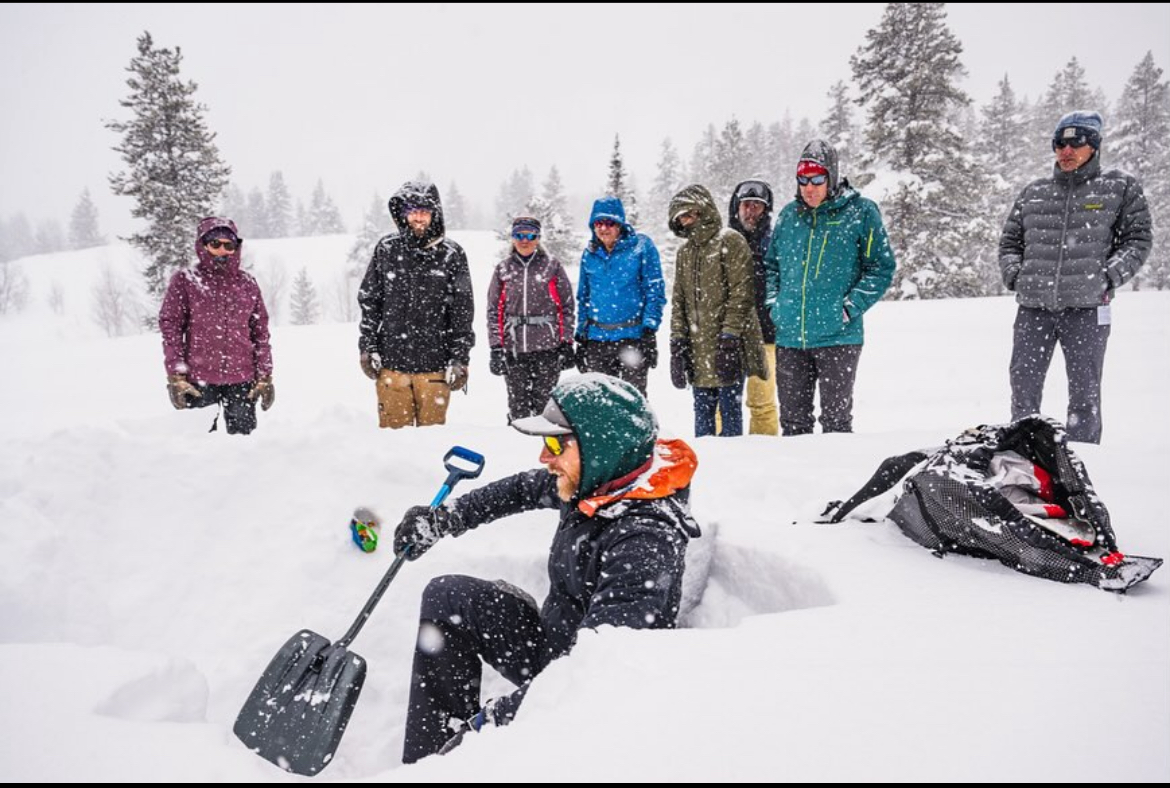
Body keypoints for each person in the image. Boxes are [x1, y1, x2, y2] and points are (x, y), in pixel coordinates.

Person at [392, 373, 700, 763]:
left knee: (484, 736)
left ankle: (456, 762)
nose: (544, 457)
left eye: (555, 443)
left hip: (582, 689)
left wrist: (486, 727)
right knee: (447, 595)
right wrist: (446, 519)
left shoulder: (644, 542)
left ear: (599, 447)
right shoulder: (597, 480)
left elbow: (596, 676)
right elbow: (521, 489)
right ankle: (426, 762)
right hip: (553, 647)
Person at [999, 111, 1151, 444]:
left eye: (1076, 143)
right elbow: (1010, 242)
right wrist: (1015, 275)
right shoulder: (1034, 192)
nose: (1066, 151)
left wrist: (1107, 276)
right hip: (1033, 307)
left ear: (1094, 146)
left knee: (1084, 393)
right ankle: (1025, 454)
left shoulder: (1119, 187)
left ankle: (1083, 461)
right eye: (1059, 144)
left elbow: (1138, 240)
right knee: (1023, 386)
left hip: (1086, 309)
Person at [763, 140, 896, 436]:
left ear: (831, 177)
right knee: (793, 424)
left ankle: (836, 482)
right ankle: (797, 481)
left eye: (818, 180)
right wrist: (775, 305)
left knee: (836, 424)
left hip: (839, 337)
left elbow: (881, 267)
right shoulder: (788, 217)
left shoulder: (861, 212)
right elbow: (772, 267)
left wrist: (849, 309)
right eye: (803, 180)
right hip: (791, 338)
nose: (810, 188)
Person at [357, 181, 474, 429]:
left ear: (435, 214)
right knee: (393, 441)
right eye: (413, 210)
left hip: (434, 370)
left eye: (425, 211)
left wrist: (460, 358)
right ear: (402, 213)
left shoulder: (452, 254)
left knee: (431, 443)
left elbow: (462, 312)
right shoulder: (387, 249)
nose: (419, 217)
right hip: (392, 366)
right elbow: (370, 300)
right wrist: (367, 346)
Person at [159, 217, 274, 435]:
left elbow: (260, 333)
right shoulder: (185, 281)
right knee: (199, 446)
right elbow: (171, 328)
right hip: (198, 381)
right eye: (215, 244)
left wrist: (265, 375)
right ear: (202, 244)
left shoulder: (247, 283)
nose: (222, 250)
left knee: (245, 445)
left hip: (242, 379)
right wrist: (176, 375)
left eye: (228, 245)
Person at [668, 184, 766, 437]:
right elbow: (678, 301)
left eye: (688, 214)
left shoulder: (730, 241)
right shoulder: (685, 253)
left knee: (730, 412)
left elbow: (741, 294)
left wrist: (730, 338)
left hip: (728, 347)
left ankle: (732, 469)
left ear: (703, 211)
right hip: (698, 348)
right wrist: (677, 343)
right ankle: (705, 468)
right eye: (680, 218)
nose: (685, 222)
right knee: (702, 413)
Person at [486, 216, 576, 421]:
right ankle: (516, 446)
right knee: (518, 407)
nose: (524, 240)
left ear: (537, 238)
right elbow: (494, 311)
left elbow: (566, 307)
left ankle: (546, 450)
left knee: (545, 407)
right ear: (512, 238)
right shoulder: (503, 269)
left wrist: (566, 342)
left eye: (529, 235)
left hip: (547, 348)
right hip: (514, 348)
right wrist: (496, 347)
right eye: (519, 235)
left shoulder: (551, 267)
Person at [574, 196, 666, 396]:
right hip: (597, 341)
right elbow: (584, 297)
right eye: (598, 223)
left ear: (620, 225)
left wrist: (649, 330)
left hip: (632, 339)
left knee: (632, 401)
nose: (604, 229)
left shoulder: (641, 247)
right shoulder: (589, 254)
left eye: (610, 223)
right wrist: (582, 335)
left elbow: (655, 290)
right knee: (600, 403)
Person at [728, 179, 779, 436]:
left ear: (766, 210)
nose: (750, 211)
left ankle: (765, 457)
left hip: (766, 336)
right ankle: (719, 454)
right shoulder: (722, 243)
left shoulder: (775, 243)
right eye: (746, 205)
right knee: (722, 404)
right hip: (728, 336)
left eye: (757, 206)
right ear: (736, 208)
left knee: (762, 404)